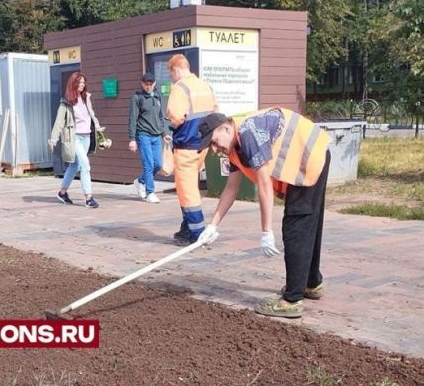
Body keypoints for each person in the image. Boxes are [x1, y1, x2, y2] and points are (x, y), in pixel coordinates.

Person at [197, 107, 331, 319]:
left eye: (214, 141)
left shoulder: (248, 133)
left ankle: (292, 300)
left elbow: (264, 185)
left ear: (226, 127)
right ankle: (310, 283)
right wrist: (213, 225)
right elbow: (231, 188)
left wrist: (266, 231)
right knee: (307, 223)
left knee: (297, 226)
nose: (214, 149)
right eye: (210, 146)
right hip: (311, 153)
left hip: (308, 155)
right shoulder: (234, 146)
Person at [166, 53, 219, 245]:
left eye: (171, 74)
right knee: (189, 186)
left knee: (187, 189)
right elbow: (215, 111)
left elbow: (176, 116)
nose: (172, 78)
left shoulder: (180, 88)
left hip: (185, 144)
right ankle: (186, 228)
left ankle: (197, 232)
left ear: (176, 69)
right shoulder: (205, 86)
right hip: (201, 145)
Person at [48, 71, 111, 209]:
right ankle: (89, 197)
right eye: (80, 82)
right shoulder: (66, 102)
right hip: (74, 138)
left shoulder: (86, 98)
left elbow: (91, 115)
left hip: (87, 136)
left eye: (83, 82)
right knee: (85, 165)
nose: (82, 85)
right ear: (73, 83)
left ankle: (62, 192)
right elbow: (59, 121)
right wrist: (53, 139)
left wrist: (99, 129)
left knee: (74, 166)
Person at [128, 72, 170, 204]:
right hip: (143, 135)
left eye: (150, 84)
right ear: (142, 84)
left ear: (154, 84)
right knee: (149, 164)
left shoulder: (157, 96)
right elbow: (133, 118)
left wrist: (164, 133)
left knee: (158, 164)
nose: (148, 87)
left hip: (156, 136)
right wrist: (132, 139)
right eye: (146, 84)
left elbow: (160, 117)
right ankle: (150, 192)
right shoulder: (137, 97)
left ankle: (140, 181)